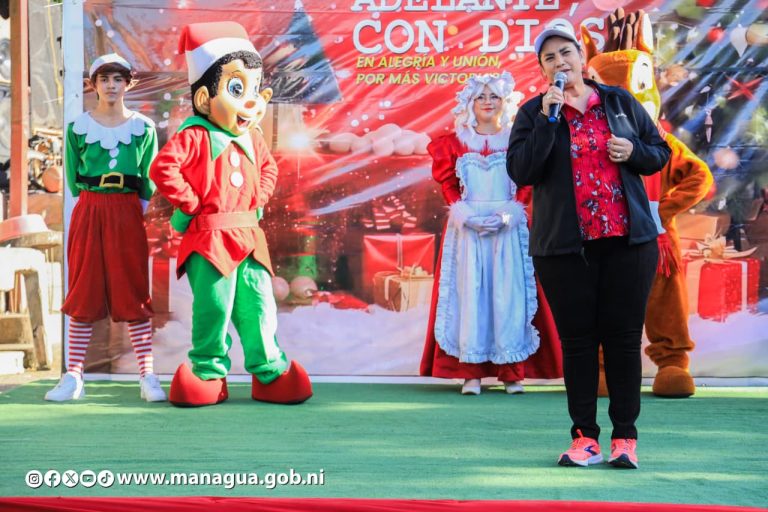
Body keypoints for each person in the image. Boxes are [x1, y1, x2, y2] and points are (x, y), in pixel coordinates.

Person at [506, 24, 671, 468]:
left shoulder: (619, 102)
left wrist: (632, 151)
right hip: (564, 249)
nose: (560, 62)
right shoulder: (533, 113)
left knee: (622, 341)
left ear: (582, 57)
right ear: (542, 70)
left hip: (627, 243)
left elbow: (659, 152)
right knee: (578, 343)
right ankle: (584, 439)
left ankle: (625, 439)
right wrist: (547, 120)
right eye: (550, 58)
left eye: (566, 52)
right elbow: (522, 171)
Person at [150, 21, 312, 407]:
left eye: (255, 90)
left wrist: (260, 196)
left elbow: (269, 168)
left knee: (259, 305)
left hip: (250, 239)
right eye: (238, 89)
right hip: (209, 241)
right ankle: (208, 372)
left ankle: (270, 371)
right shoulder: (194, 134)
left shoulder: (252, 137)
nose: (250, 101)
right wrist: (192, 203)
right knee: (214, 308)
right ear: (205, 98)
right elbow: (163, 168)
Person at [46, 53, 166, 402]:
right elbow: (73, 178)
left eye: (117, 79)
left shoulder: (143, 128)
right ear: (93, 84)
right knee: (83, 287)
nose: (111, 86)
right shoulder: (77, 128)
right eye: (104, 79)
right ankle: (73, 376)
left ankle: (147, 376)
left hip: (127, 209)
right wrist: (92, 207)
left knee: (132, 288)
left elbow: (149, 177)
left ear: (128, 84)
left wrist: (134, 211)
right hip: (90, 207)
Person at [420, 73, 539, 396]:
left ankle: (511, 372)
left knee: (508, 294)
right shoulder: (455, 143)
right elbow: (449, 184)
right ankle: (470, 372)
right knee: (468, 294)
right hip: (468, 231)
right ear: (470, 103)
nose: (488, 102)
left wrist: (508, 214)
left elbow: (527, 182)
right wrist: (465, 216)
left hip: (507, 230)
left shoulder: (517, 141)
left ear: (505, 102)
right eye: (481, 97)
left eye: (494, 96)